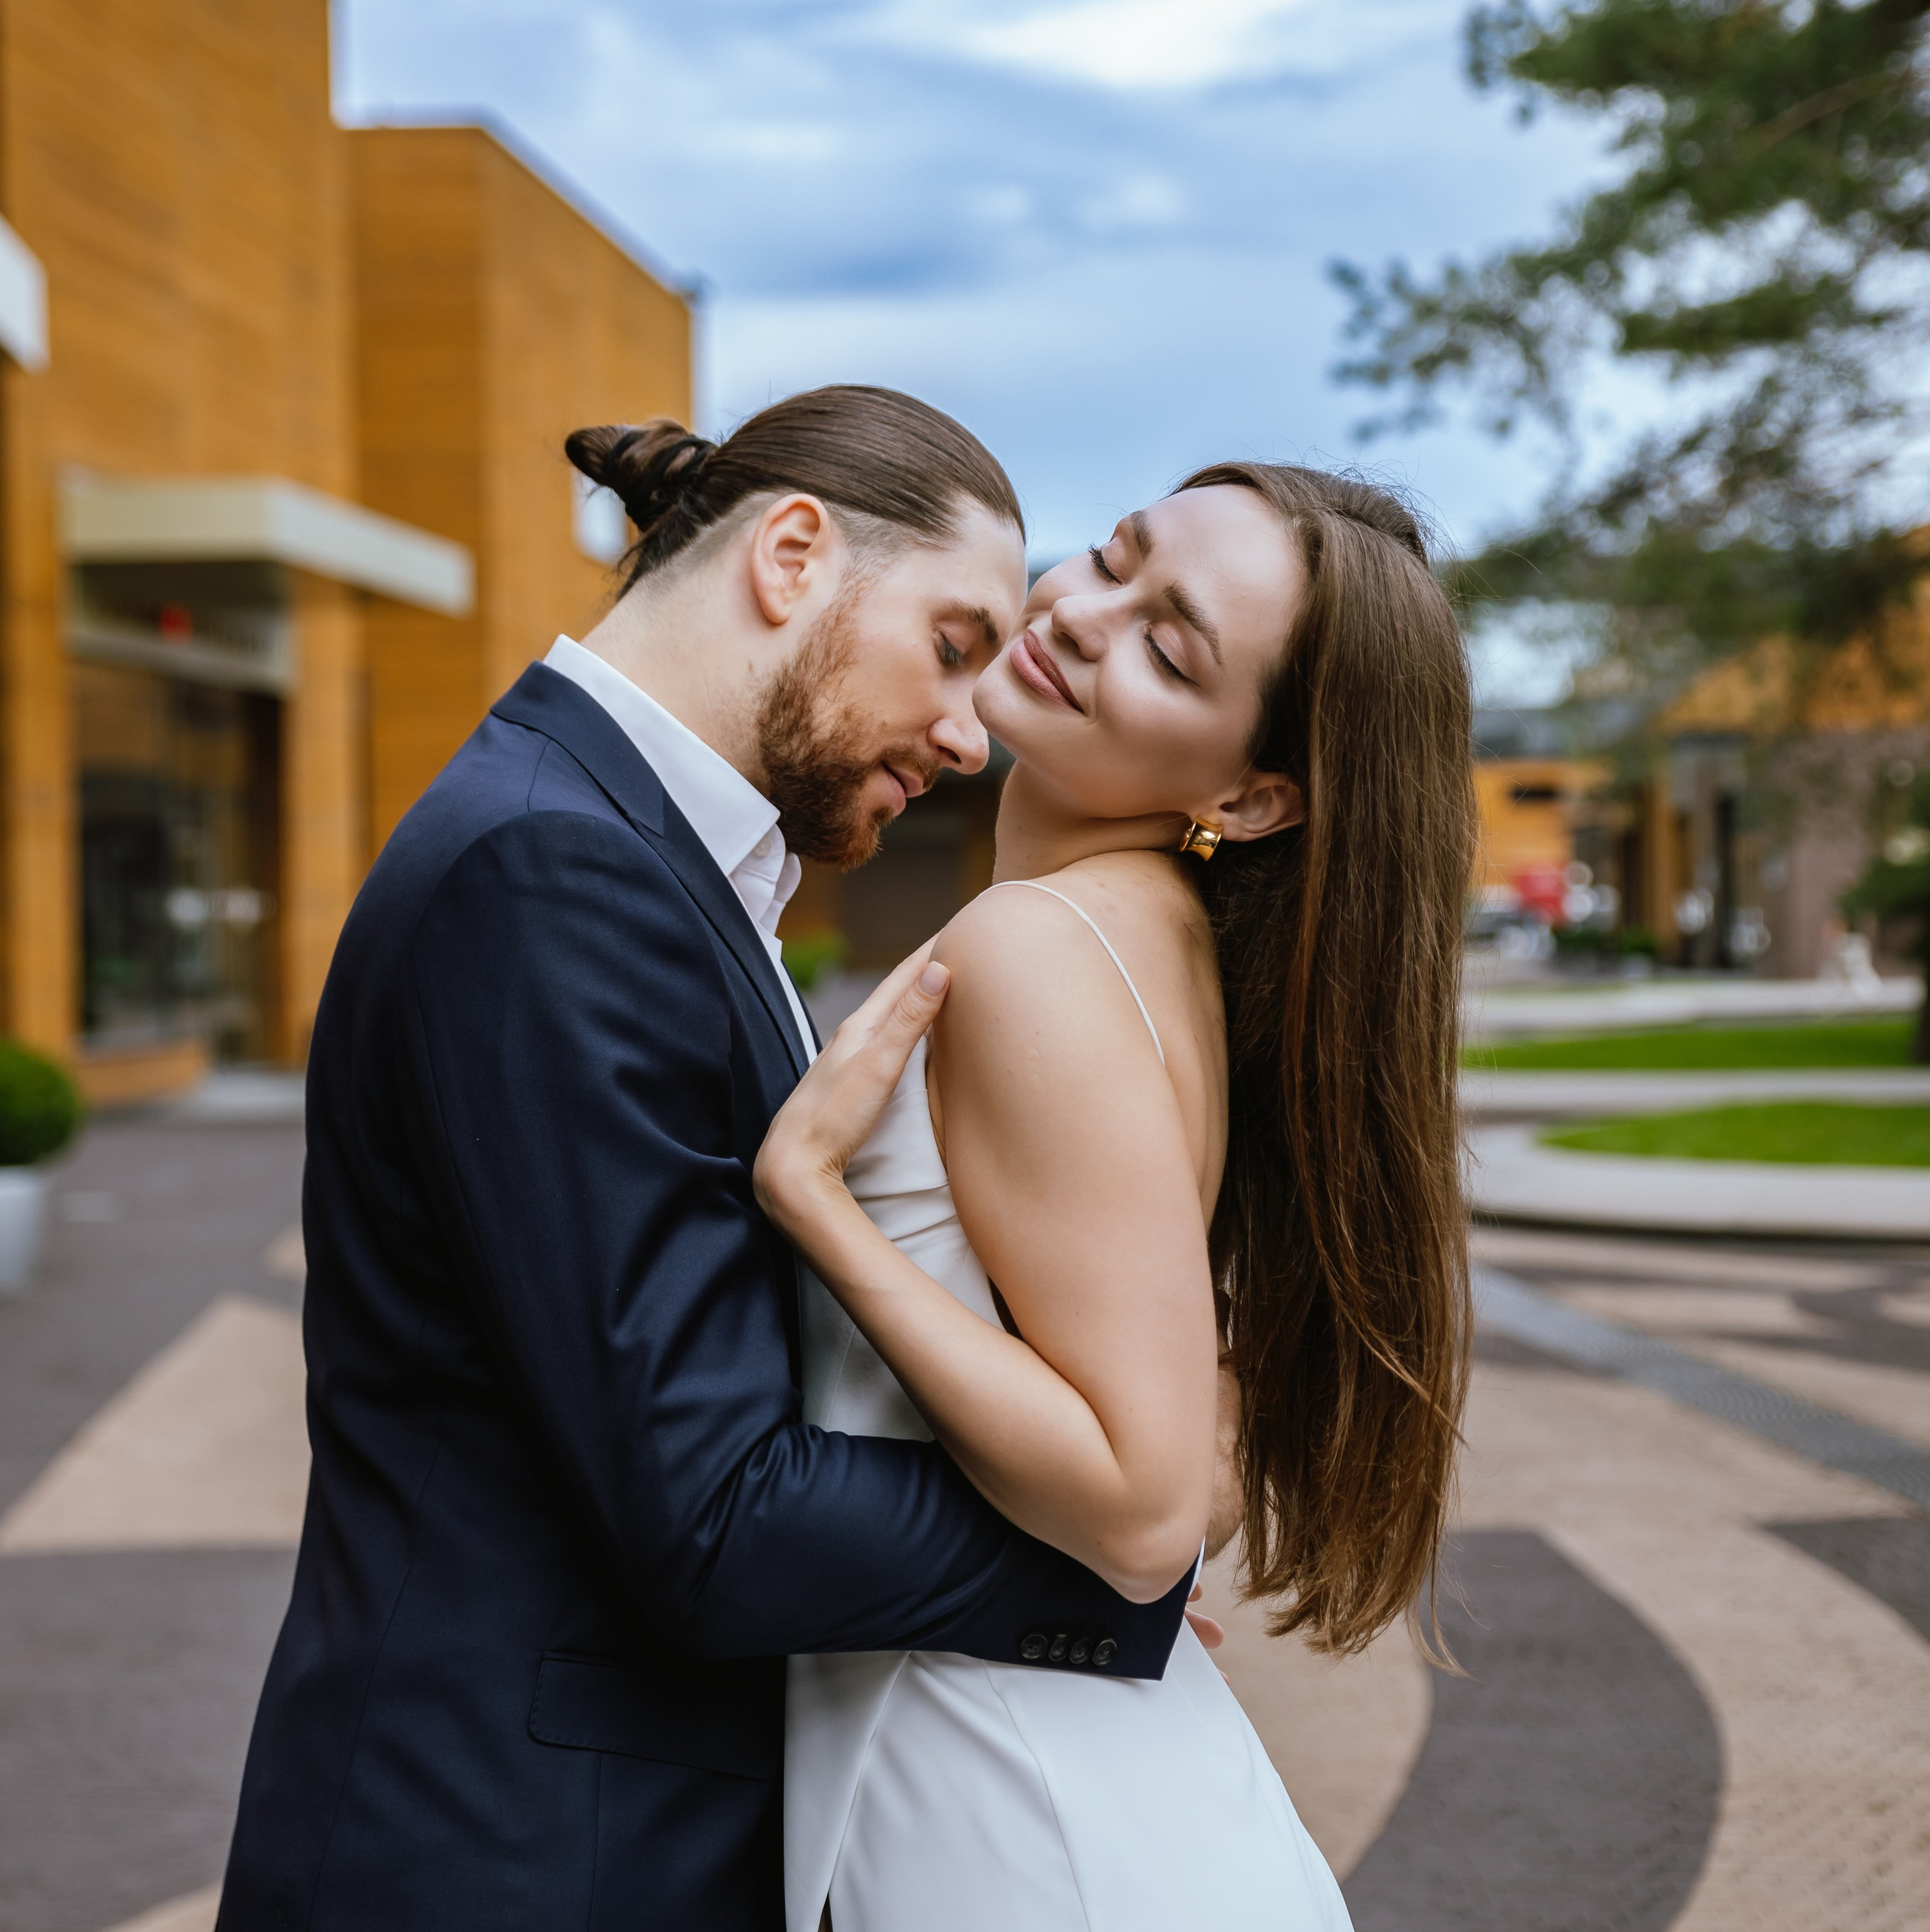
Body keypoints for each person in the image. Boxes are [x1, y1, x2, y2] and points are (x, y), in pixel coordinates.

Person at [214, 388, 1197, 1931]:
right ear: (791, 557)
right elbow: (713, 1511)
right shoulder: (552, 871)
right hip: (515, 1856)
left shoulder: (645, 851)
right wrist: (1113, 1551)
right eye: (950, 645)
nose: (968, 728)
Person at [756, 462, 1477, 1930]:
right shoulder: (1164, 947)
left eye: (1166, 644)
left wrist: (813, 1203)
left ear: (1248, 793)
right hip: (1065, 1786)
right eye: (1109, 556)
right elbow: (1186, 1448)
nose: (1080, 616)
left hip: (1021, 1824)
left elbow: (1146, 1517)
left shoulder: (1040, 945)